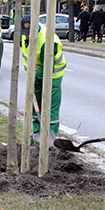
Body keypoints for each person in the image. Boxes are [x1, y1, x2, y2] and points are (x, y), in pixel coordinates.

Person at [20, 15, 67, 147]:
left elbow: (48, 66)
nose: (27, 36)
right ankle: (36, 134)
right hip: (35, 75)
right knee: (36, 106)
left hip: (53, 76)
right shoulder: (25, 35)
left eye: (29, 34)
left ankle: (50, 139)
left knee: (50, 107)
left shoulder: (47, 39)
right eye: (25, 34)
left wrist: (35, 78)